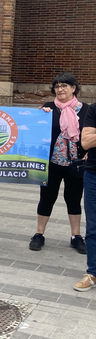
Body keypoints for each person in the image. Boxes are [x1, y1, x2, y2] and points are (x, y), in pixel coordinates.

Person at [29, 72, 88, 254]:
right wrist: (40, 116)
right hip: (52, 163)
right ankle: (39, 234)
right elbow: (34, 130)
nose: (60, 89)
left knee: (74, 199)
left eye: (64, 86)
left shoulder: (86, 109)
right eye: (57, 86)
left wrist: (88, 153)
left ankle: (76, 236)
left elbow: (90, 133)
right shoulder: (48, 108)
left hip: (75, 164)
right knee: (47, 198)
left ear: (73, 88)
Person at [74, 102, 96, 291]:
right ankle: (93, 273)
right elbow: (86, 142)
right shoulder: (94, 109)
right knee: (93, 227)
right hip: (93, 176)